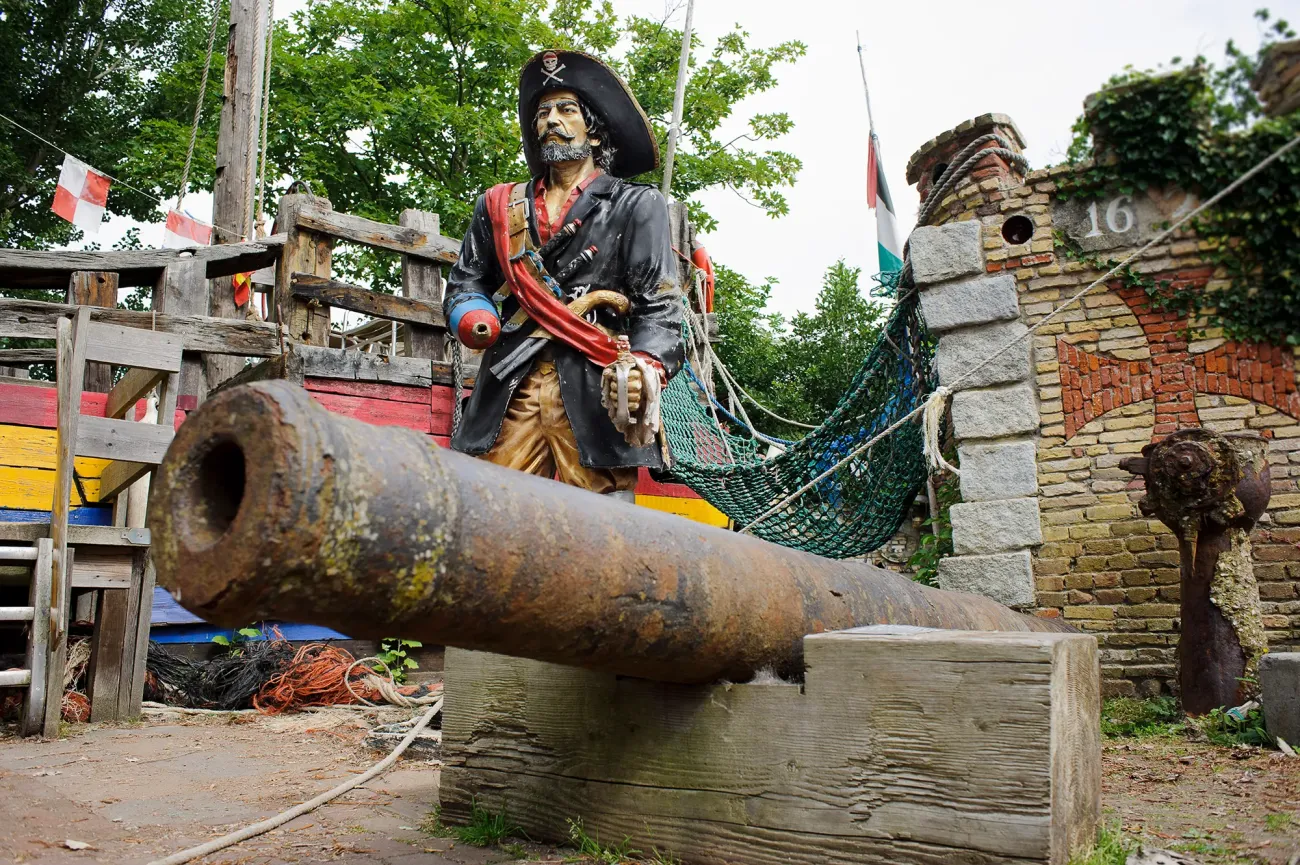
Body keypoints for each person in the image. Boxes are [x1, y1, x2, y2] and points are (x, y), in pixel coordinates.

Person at [442, 50, 683, 498]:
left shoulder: (636, 205)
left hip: (596, 386)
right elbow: (467, 280)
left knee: (606, 530)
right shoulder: (499, 205)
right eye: (543, 112)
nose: (552, 120)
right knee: (488, 507)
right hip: (512, 383)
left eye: (567, 110)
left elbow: (661, 304)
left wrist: (644, 367)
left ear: (593, 132)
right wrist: (472, 312)